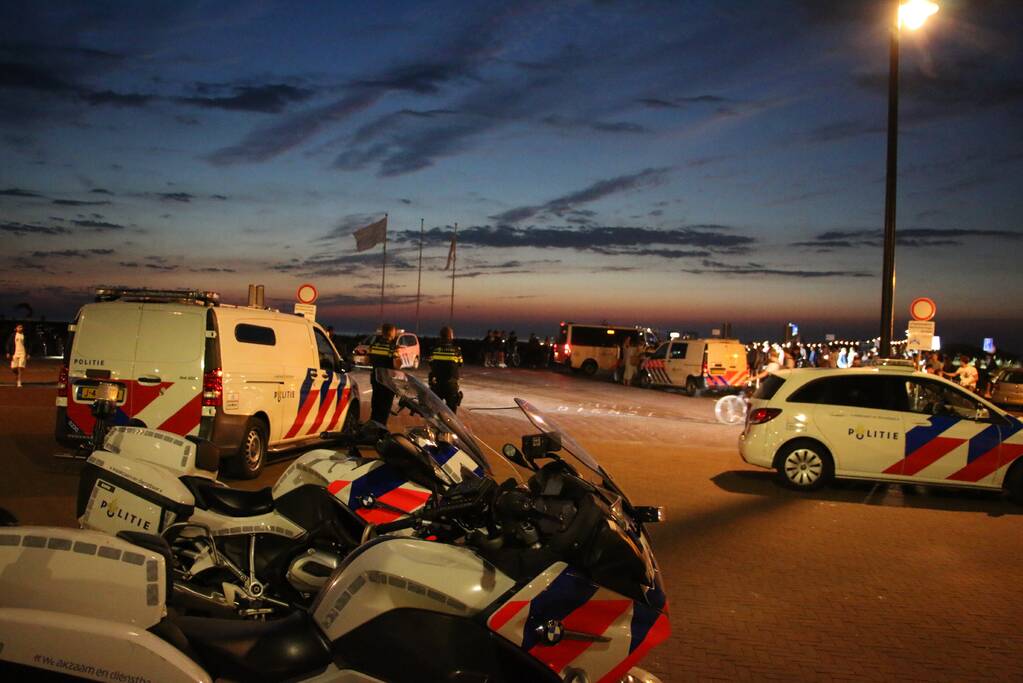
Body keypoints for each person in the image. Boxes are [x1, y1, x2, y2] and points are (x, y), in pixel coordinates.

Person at [368, 323, 401, 425]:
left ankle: (372, 429)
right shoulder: (393, 348)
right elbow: (397, 365)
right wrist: (397, 355)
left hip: (376, 379)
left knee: (375, 407)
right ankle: (380, 432)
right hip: (387, 382)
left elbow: (367, 360)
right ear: (391, 332)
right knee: (384, 410)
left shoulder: (374, 345)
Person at [428, 326, 464, 413]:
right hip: (451, 384)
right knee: (451, 413)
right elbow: (460, 363)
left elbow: (430, 363)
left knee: (434, 411)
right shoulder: (456, 350)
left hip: (437, 383)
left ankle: (435, 426)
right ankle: (447, 426)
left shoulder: (434, 349)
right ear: (451, 336)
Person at [6, 324, 27, 388]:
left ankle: (19, 382)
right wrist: (8, 352)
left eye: (21, 327)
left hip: (22, 353)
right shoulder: (13, 335)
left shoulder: (24, 336)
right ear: (16, 328)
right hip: (14, 354)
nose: (20, 328)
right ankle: (18, 376)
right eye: (19, 327)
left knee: (20, 368)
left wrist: (28, 353)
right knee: (13, 368)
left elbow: (28, 344)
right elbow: (8, 344)